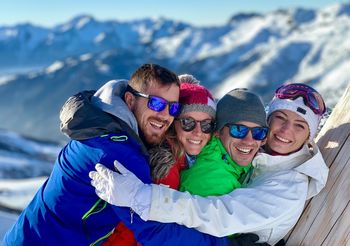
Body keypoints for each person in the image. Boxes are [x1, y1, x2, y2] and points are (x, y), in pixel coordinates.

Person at [90, 83, 329, 245]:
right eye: (281, 118)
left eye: (300, 125)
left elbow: (217, 214)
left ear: (309, 136)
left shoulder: (289, 185)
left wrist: (140, 196)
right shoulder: (254, 160)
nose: (286, 131)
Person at [3, 63, 183, 245]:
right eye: (156, 103)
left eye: (174, 108)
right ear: (129, 100)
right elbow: (153, 230)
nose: (165, 115)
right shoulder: (123, 157)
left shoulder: (98, 123)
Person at [103, 76, 218, 245]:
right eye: (188, 122)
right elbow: (136, 230)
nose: (198, 132)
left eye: (207, 125)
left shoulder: (191, 160)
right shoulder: (165, 168)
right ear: (173, 123)